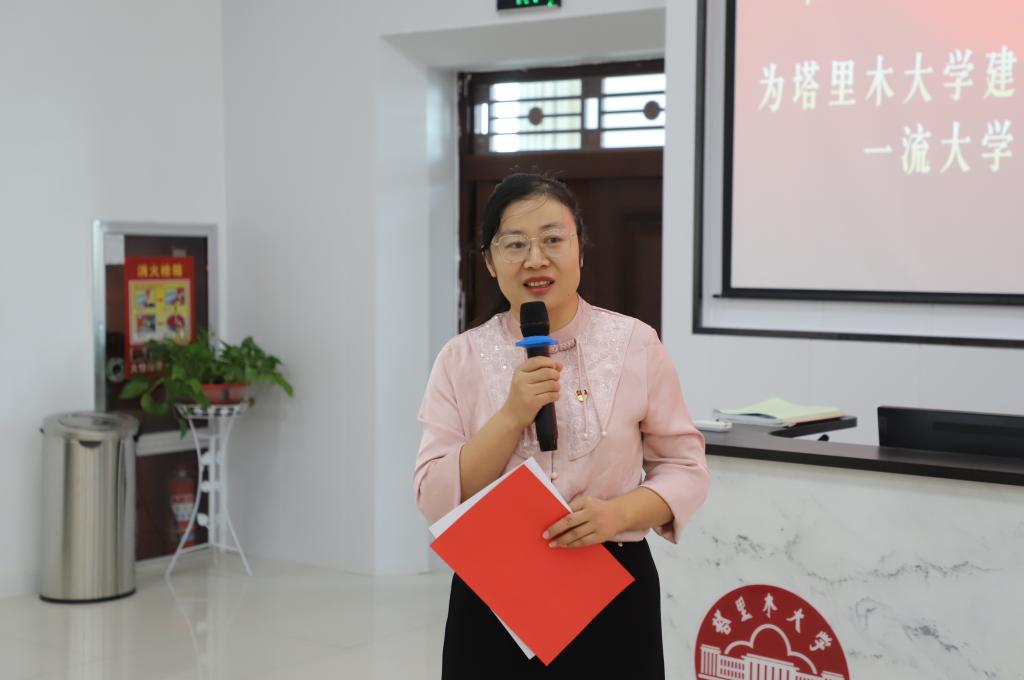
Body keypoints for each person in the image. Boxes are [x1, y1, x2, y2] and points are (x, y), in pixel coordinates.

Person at [413, 173, 709, 679]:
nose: (536, 259)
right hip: (496, 592)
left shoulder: (635, 343)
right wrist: (511, 416)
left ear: (580, 250)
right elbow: (433, 495)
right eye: (515, 244)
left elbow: (685, 469)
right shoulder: (459, 358)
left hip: (612, 581)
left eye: (553, 239)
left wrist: (618, 514)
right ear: (490, 261)